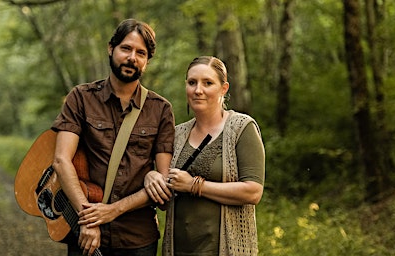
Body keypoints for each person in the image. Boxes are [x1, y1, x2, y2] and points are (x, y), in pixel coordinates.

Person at [51, 18, 175, 256]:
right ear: (111, 48)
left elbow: (163, 180)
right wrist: (88, 219)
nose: (132, 58)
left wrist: (113, 210)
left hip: (137, 238)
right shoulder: (81, 98)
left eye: (141, 53)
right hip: (84, 232)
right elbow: (61, 160)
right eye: (126, 48)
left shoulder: (160, 109)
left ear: (147, 61)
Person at [145, 56, 265, 255]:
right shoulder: (177, 134)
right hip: (179, 248)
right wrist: (151, 177)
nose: (198, 90)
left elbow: (253, 192)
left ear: (224, 88)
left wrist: (194, 185)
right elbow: (164, 199)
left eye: (208, 83)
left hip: (225, 249)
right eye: (192, 83)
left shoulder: (241, 128)